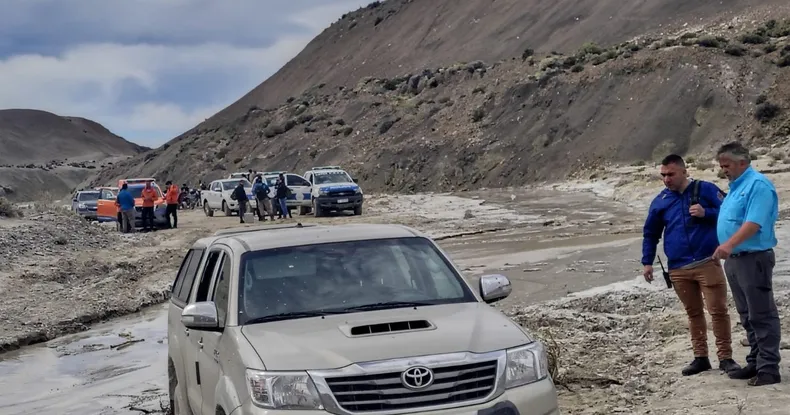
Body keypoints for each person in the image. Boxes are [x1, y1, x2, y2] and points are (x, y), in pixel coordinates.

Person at [642, 154, 740, 376]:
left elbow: (731, 213)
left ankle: (725, 357)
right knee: (693, 313)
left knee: (718, 311)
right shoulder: (660, 201)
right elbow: (650, 233)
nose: (666, 179)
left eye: (671, 174)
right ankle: (700, 357)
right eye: (663, 175)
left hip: (707, 261)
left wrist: (707, 213)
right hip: (678, 268)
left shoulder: (705, 189)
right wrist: (647, 261)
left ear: (684, 172)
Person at [712, 142, 781, 386]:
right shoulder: (735, 187)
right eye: (721, 166)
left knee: (761, 314)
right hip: (735, 260)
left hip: (754, 258)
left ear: (742, 162)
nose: (723, 170)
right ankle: (755, 360)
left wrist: (729, 244)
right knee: (746, 314)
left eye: (727, 165)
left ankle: (768, 368)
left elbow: (754, 223)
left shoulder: (758, 185)